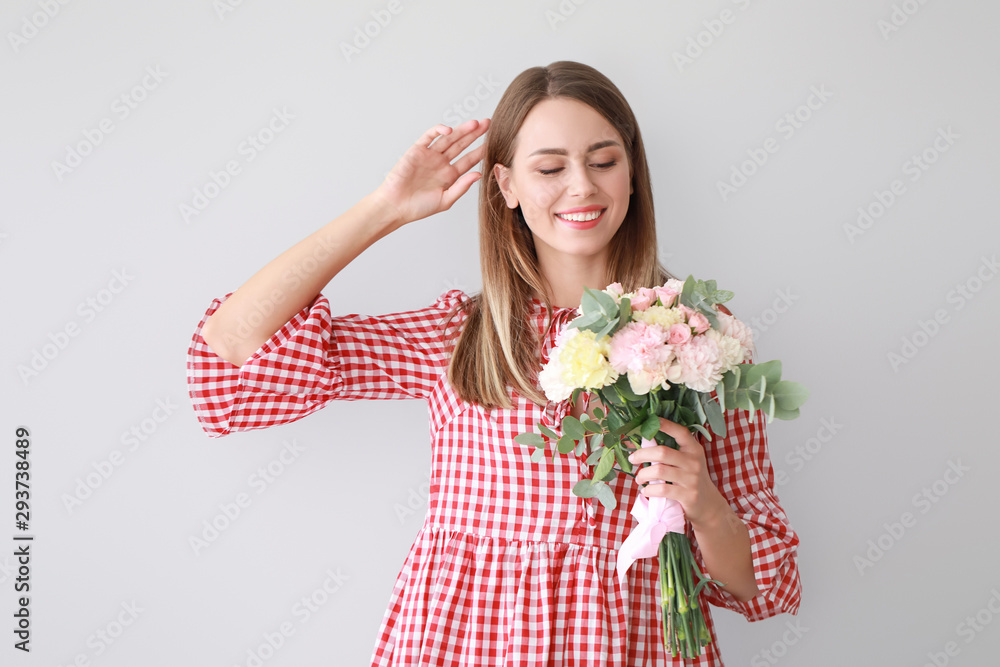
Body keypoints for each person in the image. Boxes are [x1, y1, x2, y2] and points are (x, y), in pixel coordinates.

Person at [186, 61, 801, 666]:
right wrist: (386, 208)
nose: (582, 186)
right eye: (550, 167)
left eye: (604, 161)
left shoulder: (697, 336)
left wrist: (706, 506)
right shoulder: (459, 336)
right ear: (505, 186)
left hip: (630, 644)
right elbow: (231, 360)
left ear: (633, 174)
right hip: (462, 640)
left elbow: (763, 587)